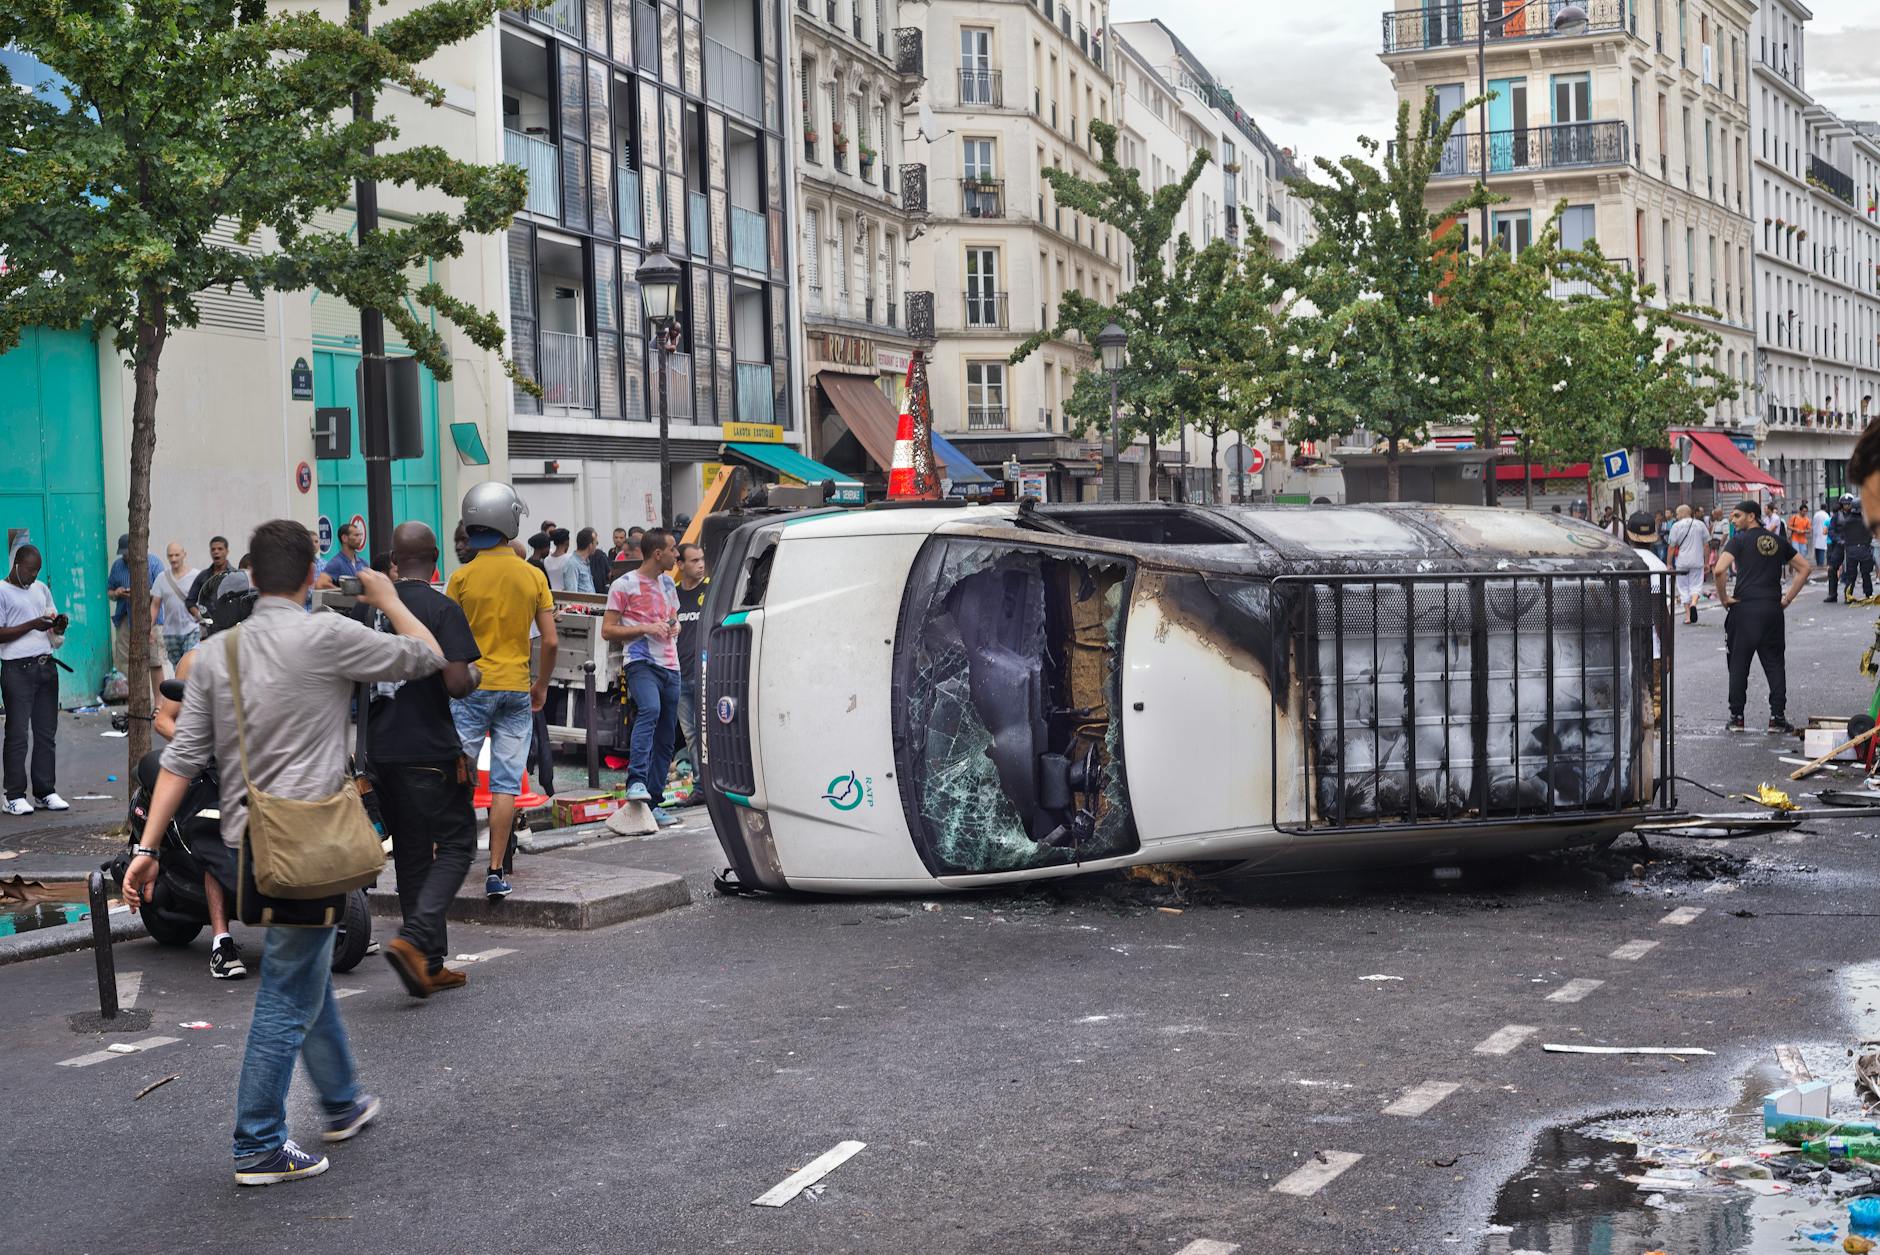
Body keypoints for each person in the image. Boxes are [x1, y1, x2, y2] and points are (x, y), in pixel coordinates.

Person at [123, 519, 444, 1186]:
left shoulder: (217, 654)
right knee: (288, 990)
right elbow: (427, 656)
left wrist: (147, 847)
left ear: (249, 573)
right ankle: (259, 1141)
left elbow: (181, 757)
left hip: (250, 844)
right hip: (311, 846)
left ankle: (341, 1100)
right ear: (308, 576)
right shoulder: (327, 635)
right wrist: (386, 597)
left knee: (307, 967)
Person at [350, 523, 482, 998]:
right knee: (458, 843)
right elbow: (455, 682)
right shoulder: (440, 607)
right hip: (428, 750)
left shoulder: (370, 613)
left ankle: (428, 961)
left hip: (380, 752)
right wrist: (475, 675)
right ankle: (414, 940)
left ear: (393, 562)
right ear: (435, 561)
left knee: (410, 853)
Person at [447, 483, 557, 900]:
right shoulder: (531, 576)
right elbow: (549, 641)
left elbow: (449, 641)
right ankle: (495, 870)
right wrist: (540, 684)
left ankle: (448, 861)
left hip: (471, 689)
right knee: (506, 784)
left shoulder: (461, 578)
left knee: (459, 774)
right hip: (516, 689)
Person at [154, 571, 258, 979]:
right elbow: (165, 720)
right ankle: (221, 941)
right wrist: (202, 745)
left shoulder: (259, 653)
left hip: (256, 768)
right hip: (208, 772)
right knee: (217, 836)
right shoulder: (195, 660)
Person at [602, 529, 682, 827]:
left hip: (670, 665)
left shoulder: (668, 583)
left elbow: (672, 618)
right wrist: (646, 629)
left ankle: (655, 800)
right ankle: (635, 782)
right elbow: (608, 630)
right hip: (640, 661)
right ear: (657, 553)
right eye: (673, 550)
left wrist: (673, 627)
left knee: (666, 734)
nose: (677, 555)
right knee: (650, 709)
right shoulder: (624, 585)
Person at [1713, 499, 1811, 734]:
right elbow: (1804, 568)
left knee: (1739, 664)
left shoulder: (1738, 540)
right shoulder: (1777, 540)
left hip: (1744, 609)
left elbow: (1718, 569)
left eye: (1737, 516)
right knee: (1775, 664)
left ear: (1751, 516)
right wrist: (1786, 599)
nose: (1734, 521)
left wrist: (1724, 598)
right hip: (1771, 608)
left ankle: (1737, 717)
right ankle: (1777, 718)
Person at [1, 544, 69, 816]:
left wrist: (58, 626)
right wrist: (31, 624)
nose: (33, 576)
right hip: (17, 669)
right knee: (17, 734)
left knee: (46, 734)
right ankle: (13, 796)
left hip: (45, 667)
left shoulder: (41, 589)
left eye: (37, 571)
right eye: (30, 571)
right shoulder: (3, 591)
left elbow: (51, 624)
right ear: (17, 565)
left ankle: (45, 791)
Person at [107, 533, 166, 707]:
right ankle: (137, 702)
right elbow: (109, 591)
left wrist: (140, 593)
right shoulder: (117, 566)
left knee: (154, 661)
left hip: (150, 618)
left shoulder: (154, 563)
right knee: (126, 662)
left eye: (129, 552)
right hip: (125, 617)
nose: (126, 556)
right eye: (124, 553)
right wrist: (117, 593)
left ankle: (159, 704)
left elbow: (161, 593)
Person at [673, 543, 709, 781]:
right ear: (680, 565)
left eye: (702, 559)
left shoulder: (711, 589)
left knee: (710, 733)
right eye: (694, 561)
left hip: (705, 675)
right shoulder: (672, 594)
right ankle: (700, 783)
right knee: (692, 734)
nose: (701, 564)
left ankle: (713, 781)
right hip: (679, 675)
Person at [156, 542, 201, 669]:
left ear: (184, 555)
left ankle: (190, 688)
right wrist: (150, 628)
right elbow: (155, 605)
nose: (173, 559)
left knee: (189, 666)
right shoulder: (161, 578)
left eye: (177, 555)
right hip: (170, 632)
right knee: (177, 668)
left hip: (192, 628)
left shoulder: (196, 575)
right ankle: (182, 689)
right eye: (170, 556)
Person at [1666, 504, 1709, 625]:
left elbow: (1671, 547)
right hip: (1697, 561)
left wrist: (1669, 564)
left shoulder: (1676, 526)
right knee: (1696, 585)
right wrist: (1707, 562)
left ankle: (1688, 616)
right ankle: (1694, 604)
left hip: (1682, 562)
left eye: (1677, 513)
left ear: (1682, 513)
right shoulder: (1700, 525)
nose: (1677, 515)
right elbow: (1706, 545)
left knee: (1683, 587)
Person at [187, 536, 235, 617]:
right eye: (213, 549)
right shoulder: (203, 576)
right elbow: (190, 601)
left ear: (227, 551)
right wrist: (199, 615)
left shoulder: (235, 575)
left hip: (230, 625)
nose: (216, 552)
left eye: (220, 549)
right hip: (208, 627)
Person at [1844, 498, 1876, 602]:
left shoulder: (1847, 521)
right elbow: (1870, 535)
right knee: (1866, 574)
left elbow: (1844, 534)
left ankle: (1848, 595)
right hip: (1864, 549)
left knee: (1851, 575)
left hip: (1851, 550)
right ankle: (1868, 594)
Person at [1826, 494, 1853, 602]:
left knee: (1850, 571)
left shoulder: (1856, 515)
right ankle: (1832, 594)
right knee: (1832, 568)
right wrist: (1838, 539)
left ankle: (1848, 595)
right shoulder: (1836, 516)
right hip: (1839, 546)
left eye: (1848, 504)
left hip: (1851, 546)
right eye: (1844, 504)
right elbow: (1831, 530)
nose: (1846, 506)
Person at [576, 527, 608, 595]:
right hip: (581, 604)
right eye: (596, 543)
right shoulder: (573, 564)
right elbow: (571, 594)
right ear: (590, 545)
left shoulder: (586, 562)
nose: (597, 545)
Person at [1813, 499, 1833, 571]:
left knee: (1817, 549)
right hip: (1823, 534)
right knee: (1822, 549)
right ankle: (1821, 565)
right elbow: (1828, 525)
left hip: (1816, 534)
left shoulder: (1816, 514)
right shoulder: (1826, 515)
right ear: (1826, 508)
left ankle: (1818, 563)